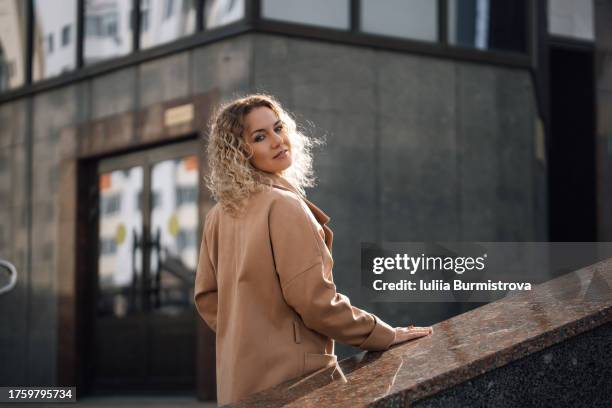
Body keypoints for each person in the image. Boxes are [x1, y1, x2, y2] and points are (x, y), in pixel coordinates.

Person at [194, 94, 433, 405]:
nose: (278, 141)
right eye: (260, 136)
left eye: (278, 128)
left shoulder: (219, 214)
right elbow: (317, 303)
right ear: (240, 151)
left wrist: (250, 334)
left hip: (240, 382)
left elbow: (207, 298)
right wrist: (384, 335)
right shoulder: (283, 205)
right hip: (296, 382)